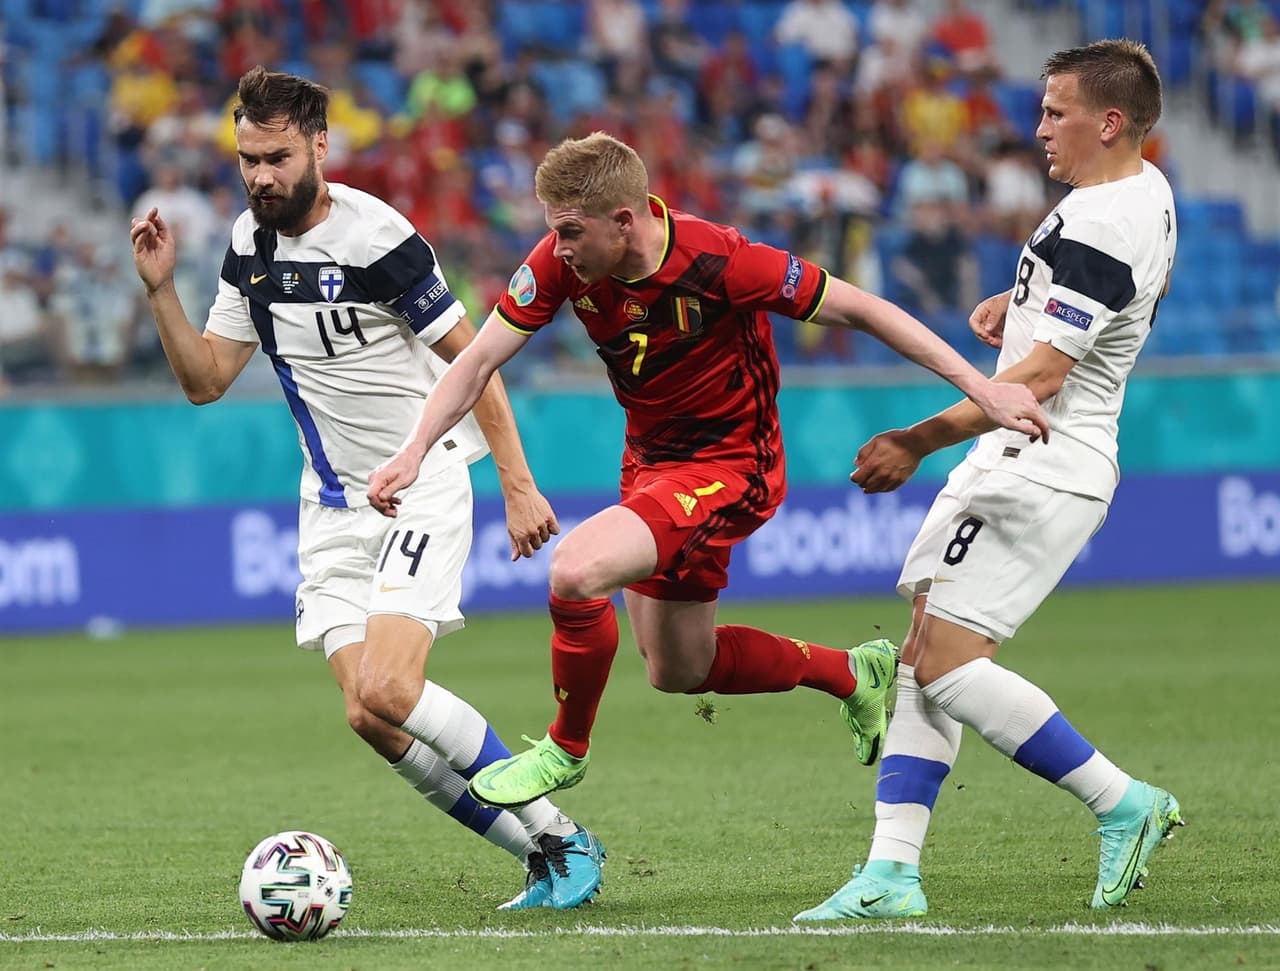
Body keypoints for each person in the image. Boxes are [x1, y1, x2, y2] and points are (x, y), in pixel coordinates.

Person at [367, 131, 1049, 815]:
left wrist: (983, 389)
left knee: (575, 572)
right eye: (555, 232)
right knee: (678, 667)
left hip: (731, 461)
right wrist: (413, 449)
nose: (561, 248)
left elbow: (864, 309)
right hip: (650, 463)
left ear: (623, 221)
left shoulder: (721, 260)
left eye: (572, 232)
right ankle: (854, 672)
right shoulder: (560, 262)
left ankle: (564, 748)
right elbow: (478, 360)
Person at [128, 67, 604, 911]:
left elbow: (477, 359)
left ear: (319, 144)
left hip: (418, 485)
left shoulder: (377, 237)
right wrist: (163, 290)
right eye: (247, 159)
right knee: (370, 715)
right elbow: (205, 379)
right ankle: (537, 853)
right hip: (330, 505)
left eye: (275, 157)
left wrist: (519, 486)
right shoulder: (248, 246)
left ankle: (562, 833)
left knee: (390, 686)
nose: (260, 176)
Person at [794, 40, 1183, 922]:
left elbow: (1039, 380)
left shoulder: (1100, 219)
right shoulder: (1141, 189)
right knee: (925, 656)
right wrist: (1023, 302)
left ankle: (1122, 801)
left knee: (941, 664)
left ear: (1109, 121)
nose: (1038, 126)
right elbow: (1116, 299)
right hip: (1035, 454)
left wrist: (916, 438)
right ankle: (892, 873)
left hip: (1041, 456)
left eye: (1056, 112)